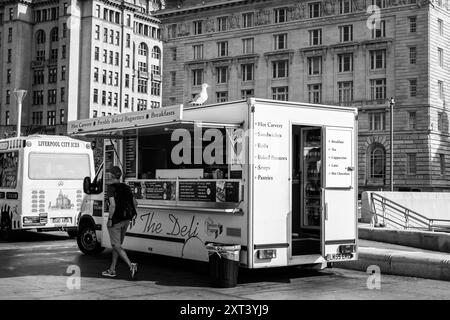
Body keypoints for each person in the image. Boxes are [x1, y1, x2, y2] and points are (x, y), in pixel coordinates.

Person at [102, 166, 138, 279]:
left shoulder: (111, 188)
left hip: (116, 221)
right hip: (126, 220)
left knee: (116, 245)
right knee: (117, 246)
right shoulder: (126, 187)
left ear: (111, 176)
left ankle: (131, 265)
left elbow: (112, 205)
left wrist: (110, 220)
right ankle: (112, 270)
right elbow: (135, 203)